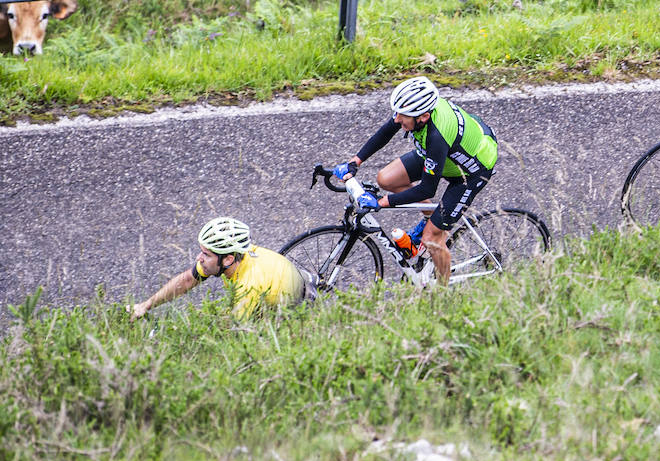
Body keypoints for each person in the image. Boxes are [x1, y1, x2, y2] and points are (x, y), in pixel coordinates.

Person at [333, 75, 498, 286]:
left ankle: (441, 296)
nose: (398, 119)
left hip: (470, 172)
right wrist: (355, 161)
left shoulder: (436, 136)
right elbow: (386, 131)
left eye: (404, 116)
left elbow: (426, 190)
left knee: (432, 239)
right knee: (386, 178)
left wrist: (380, 202)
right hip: (445, 156)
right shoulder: (416, 113)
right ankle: (436, 223)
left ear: (423, 117)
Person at [131, 217, 309, 320]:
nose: (198, 258)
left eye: (206, 255)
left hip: (296, 306)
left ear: (228, 259)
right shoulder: (235, 259)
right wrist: (146, 305)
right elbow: (187, 280)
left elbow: (235, 334)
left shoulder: (247, 287)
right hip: (280, 283)